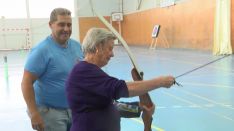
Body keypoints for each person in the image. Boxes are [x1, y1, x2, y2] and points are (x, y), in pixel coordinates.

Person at [65, 27, 175, 131]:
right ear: (98, 47)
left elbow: (111, 104)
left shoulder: (92, 71)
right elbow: (119, 88)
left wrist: (139, 107)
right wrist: (160, 82)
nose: (112, 54)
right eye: (110, 48)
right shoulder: (83, 71)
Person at [21, 8, 83, 131]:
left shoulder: (77, 46)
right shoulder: (41, 51)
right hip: (50, 113)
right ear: (51, 25)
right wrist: (34, 114)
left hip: (74, 109)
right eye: (61, 24)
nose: (66, 29)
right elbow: (26, 83)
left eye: (69, 25)